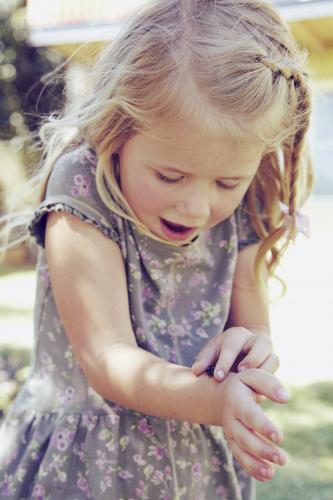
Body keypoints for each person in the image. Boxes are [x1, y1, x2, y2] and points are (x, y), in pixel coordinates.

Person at [0, 0, 313, 498]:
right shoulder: (84, 189)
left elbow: (252, 325)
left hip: (194, 467)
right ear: (118, 131)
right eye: (170, 175)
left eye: (226, 181)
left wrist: (251, 351)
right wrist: (215, 402)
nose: (195, 206)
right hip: (87, 468)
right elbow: (108, 360)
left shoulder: (251, 201)